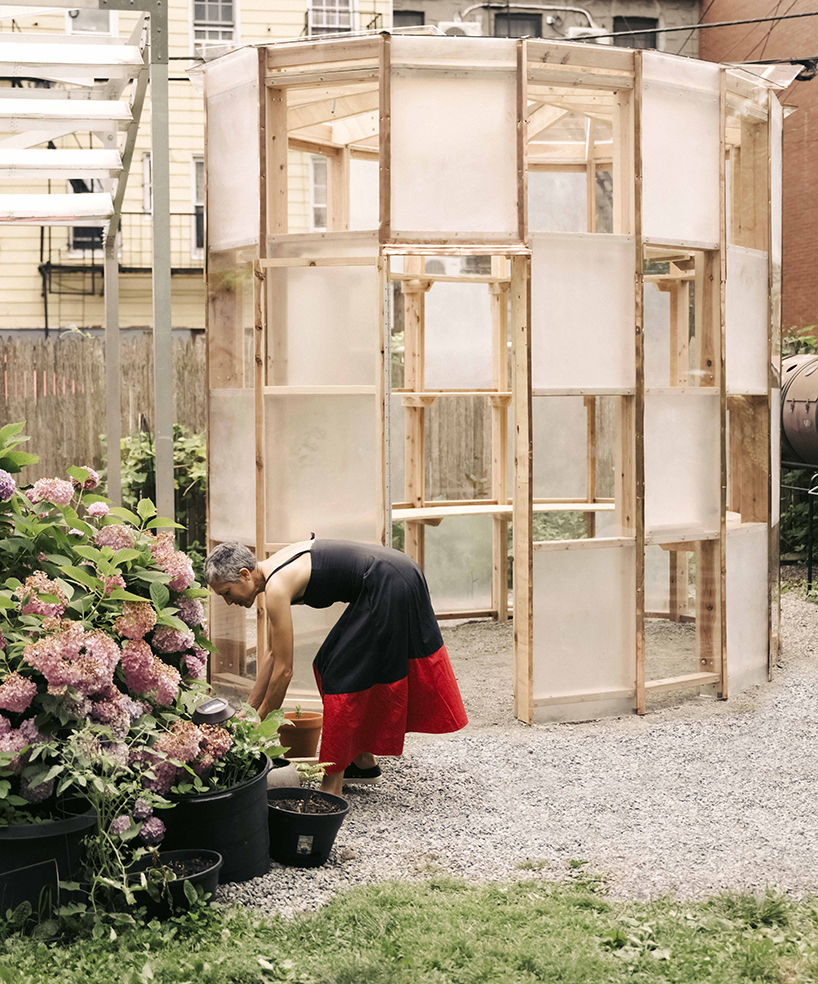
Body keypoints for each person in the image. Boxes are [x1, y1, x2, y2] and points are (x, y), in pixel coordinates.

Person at [204, 537, 468, 798]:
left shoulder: (276, 587)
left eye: (227, 592)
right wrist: (249, 711)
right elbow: (273, 653)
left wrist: (258, 722)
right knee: (327, 661)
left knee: (342, 677)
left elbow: (284, 671)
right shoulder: (272, 572)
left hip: (391, 581)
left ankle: (332, 786)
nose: (228, 602)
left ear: (244, 574)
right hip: (393, 574)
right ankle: (363, 762)